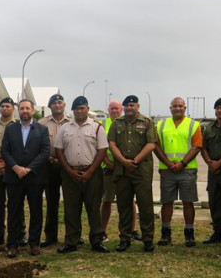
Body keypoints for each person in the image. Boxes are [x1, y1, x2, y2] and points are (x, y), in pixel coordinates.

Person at [55, 96, 110, 253]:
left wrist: (90, 171)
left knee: (93, 208)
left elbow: (102, 150)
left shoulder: (97, 128)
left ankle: (97, 241)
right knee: (71, 208)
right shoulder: (65, 128)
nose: (79, 111)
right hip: (70, 173)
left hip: (92, 173)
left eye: (82, 108)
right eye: (76, 109)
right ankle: (71, 241)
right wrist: (69, 171)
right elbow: (59, 150)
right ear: (72, 110)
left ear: (87, 109)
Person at [1, 99, 50, 258]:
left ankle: (34, 243)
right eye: (22, 108)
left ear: (32, 110)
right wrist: (15, 167)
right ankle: (13, 244)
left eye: (27, 108)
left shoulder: (42, 129)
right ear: (18, 111)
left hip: (35, 177)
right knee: (14, 211)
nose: (25, 111)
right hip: (14, 177)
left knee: (36, 211)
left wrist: (28, 169)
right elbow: (5, 151)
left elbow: (45, 152)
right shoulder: (10, 129)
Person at [108, 95, 157, 252]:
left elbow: (151, 144)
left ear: (138, 106)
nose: (129, 107)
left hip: (141, 169)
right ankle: (124, 238)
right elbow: (112, 144)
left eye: (132, 105)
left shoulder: (147, 122)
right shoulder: (117, 123)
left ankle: (148, 239)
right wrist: (123, 161)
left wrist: (134, 161)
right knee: (123, 205)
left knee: (145, 205)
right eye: (127, 105)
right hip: (122, 170)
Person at [154, 97, 202, 247]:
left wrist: (182, 163)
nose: (177, 108)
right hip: (167, 170)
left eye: (180, 106)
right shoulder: (161, 125)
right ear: (170, 108)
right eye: (174, 106)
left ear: (185, 108)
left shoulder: (194, 125)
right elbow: (156, 146)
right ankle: (165, 234)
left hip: (187, 170)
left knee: (188, 202)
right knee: (167, 202)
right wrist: (168, 164)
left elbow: (197, 146)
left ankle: (189, 234)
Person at [0, 97, 26, 247]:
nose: (4, 109)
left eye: (7, 106)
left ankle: (20, 235)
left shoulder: (19, 125)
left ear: (13, 108)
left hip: (13, 167)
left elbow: (22, 148)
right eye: (2, 106)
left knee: (16, 202)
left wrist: (9, 165)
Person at [100, 100, 141, 242]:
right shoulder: (101, 125)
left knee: (129, 200)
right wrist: (108, 163)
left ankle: (133, 229)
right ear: (108, 110)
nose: (114, 111)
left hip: (125, 168)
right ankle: (102, 231)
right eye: (112, 108)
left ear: (121, 110)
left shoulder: (126, 123)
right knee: (106, 201)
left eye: (117, 108)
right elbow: (99, 148)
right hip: (109, 168)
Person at [38, 94, 71, 247]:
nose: (57, 105)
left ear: (64, 105)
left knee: (71, 201)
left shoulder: (72, 122)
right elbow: (38, 146)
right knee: (51, 201)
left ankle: (72, 234)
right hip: (49, 166)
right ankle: (50, 236)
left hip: (68, 167)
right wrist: (51, 159)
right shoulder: (41, 123)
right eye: (54, 103)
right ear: (50, 106)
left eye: (60, 102)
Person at [201, 98, 221, 244]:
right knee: (215, 201)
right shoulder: (209, 128)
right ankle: (218, 233)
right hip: (213, 170)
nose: (220, 111)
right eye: (218, 108)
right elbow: (204, 148)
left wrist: (219, 163)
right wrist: (210, 163)